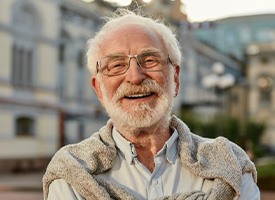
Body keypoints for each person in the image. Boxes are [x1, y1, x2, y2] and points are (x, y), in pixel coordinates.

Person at [43, 8, 260, 200]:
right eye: (117, 65)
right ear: (99, 89)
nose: (135, 77)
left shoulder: (230, 164)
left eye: (150, 60)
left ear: (175, 78)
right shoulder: (71, 170)